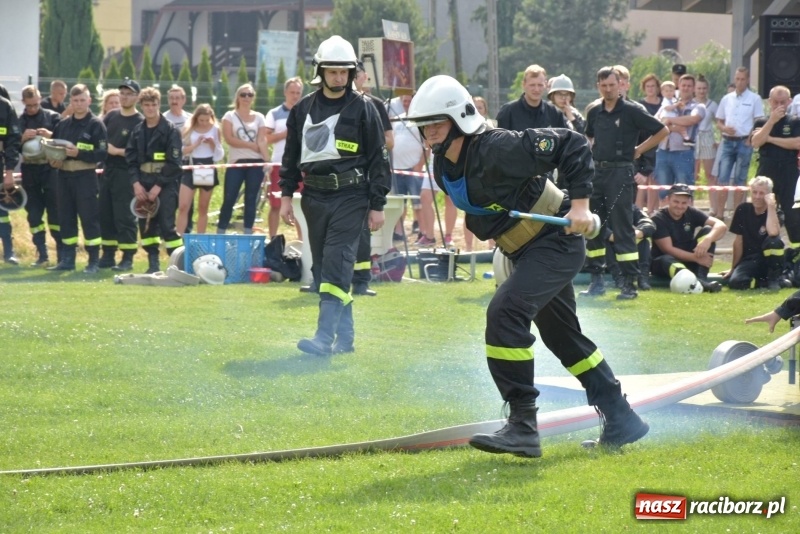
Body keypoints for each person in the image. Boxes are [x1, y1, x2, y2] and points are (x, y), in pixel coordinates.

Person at [405, 74, 649, 457]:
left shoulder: (498, 146)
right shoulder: (443, 165)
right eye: (424, 125)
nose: (429, 132)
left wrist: (582, 205)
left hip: (555, 243)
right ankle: (622, 417)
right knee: (565, 339)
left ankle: (522, 424)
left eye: (436, 123)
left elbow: (570, 144)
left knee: (505, 313)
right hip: (525, 251)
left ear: (460, 119)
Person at [278, 35, 391, 356]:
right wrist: (287, 195)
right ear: (321, 72)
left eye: (344, 71)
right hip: (314, 197)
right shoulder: (302, 109)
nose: (339, 77)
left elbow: (378, 159)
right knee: (326, 270)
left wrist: (378, 204)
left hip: (352, 197)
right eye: (333, 71)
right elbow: (290, 156)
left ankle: (324, 338)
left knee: (337, 264)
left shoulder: (365, 108)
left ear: (352, 72)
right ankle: (346, 339)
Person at [582, 66, 668, 299]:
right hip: (597, 173)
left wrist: (639, 150)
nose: (609, 90)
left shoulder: (632, 110)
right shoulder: (594, 111)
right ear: (598, 86)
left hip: (621, 173)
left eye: (612, 85)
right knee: (593, 226)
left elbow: (662, 130)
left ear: (620, 84)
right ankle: (596, 279)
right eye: (604, 86)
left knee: (622, 228)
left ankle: (629, 284)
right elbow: (589, 137)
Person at [46, 84, 107, 273]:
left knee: (89, 219)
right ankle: (67, 259)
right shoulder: (62, 124)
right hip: (64, 176)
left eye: (82, 100)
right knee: (66, 218)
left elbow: (102, 154)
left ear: (89, 101)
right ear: (70, 102)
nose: (79, 104)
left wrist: (79, 152)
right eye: (75, 100)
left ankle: (93, 261)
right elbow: (53, 147)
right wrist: (52, 160)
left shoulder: (96, 124)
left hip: (85, 176)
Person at [125, 87, 183, 273]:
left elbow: (174, 163)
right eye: (147, 105)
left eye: (154, 104)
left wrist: (158, 186)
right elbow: (130, 160)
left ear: (159, 105)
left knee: (167, 225)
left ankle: (179, 265)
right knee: (147, 227)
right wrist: (136, 184)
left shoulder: (170, 130)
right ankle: (153, 265)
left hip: (165, 183)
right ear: (141, 106)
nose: (150, 108)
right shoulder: (137, 131)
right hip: (142, 182)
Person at [352, 63, 393, 296]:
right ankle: (323, 278)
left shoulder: (375, 105)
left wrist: (370, 143)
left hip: (366, 177)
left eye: (357, 76)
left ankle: (361, 281)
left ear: (365, 78)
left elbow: (390, 141)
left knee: (362, 232)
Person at [99, 79, 143, 271]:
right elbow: (99, 140)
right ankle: (108, 254)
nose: (125, 97)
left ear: (137, 97)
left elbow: (140, 153)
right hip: (107, 172)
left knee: (125, 216)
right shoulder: (111, 116)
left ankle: (127, 257)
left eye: (129, 94)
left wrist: (116, 150)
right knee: (105, 214)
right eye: (122, 93)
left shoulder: (140, 122)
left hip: (127, 174)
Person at [650, 184, 727, 292]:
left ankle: (701, 278)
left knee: (708, 230)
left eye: (684, 203)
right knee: (665, 259)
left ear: (689, 202)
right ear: (668, 200)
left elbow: (721, 225)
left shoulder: (691, 212)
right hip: (666, 264)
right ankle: (697, 283)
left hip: (689, 260)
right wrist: (696, 258)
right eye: (676, 202)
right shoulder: (658, 218)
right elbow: (668, 249)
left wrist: (707, 240)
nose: (680, 206)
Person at [750, 85, 800, 248]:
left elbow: (797, 143)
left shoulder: (794, 121)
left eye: (783, 102)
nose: (779, 105)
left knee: (793, 213)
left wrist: (770, 139)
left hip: (788, 170)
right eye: (775, 102)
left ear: (790, 101)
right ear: (769, 101)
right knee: (761, 208)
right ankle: (759, 246)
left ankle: (796, 251)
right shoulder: (761, 121)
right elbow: (756, 142)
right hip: (767, 168)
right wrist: (771, 121)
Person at [18, 85, 61, 266]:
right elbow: (12, 146)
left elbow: (64, 142)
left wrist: (51, 135)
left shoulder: (53, 117)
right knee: (34, 215)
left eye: (35, 104)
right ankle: (42, 254)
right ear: (23, 103)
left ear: (40, 98)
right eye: (29, 106)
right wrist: (22, 137)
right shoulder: (19, 121)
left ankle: (62, 254)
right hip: (30, 170)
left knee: (56, 215)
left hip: (50, 170)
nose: (33, 108)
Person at [714, 67, 765, 220]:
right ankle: (719, 213)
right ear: (734, 79)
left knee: (740, 178)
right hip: (728, 141)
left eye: (743, 79)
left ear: (748, 80)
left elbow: (759, 121)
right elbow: (719, 121)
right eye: (737, 79)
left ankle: (737, 213)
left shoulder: (754, 98)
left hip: (744, 141)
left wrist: (751, 139)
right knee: (722, 177)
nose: (740, 82)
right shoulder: (727, 98)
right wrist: (724, 128)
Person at [218, 83, 268, 235]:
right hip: (236, 162)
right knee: (229, 197)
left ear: (253, 98)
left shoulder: (259, 117)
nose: (246, 98)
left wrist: (267, 161)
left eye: (250, 95)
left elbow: (262, 140)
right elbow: (229, 139)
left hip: (255, 162)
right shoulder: (229, 116)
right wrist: (251, 146)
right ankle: (221, 230)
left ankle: (247, 232)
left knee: (251, 198)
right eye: (243, 94)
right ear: (237, 97)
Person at [722, 176, 787, 290]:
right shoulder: (743, 209)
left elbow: (773, 232)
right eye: (754, 192)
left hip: (769, 261)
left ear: (769, 195)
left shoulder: (776, 212)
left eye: (761, 193)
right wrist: (734, 268)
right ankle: (761, 281)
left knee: (774, 242)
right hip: (750, 260)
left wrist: (771, 206)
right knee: (736, 283)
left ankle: (774, 279)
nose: (757, 196)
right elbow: (738, 241)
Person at [654, 74, 706, 200]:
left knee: (684, 193)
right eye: (683, 85)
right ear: (679, 86)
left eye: (689, 86)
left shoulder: (698, 106)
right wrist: (673, 127)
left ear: (693, 88)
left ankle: (687, 219)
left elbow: (692, 119)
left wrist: (669, 120)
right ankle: (664, 219)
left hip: (683, 153)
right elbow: (656, 122)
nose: (686, 88)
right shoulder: (667, 103)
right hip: (663, 151)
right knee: (663, 193)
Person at [265, 77, 304, 238]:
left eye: (298, 92)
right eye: (292, 92)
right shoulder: (274, 113)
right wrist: (287, 133)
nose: (295, 96)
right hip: (279, 164)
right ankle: (272, 239)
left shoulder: (306, 112)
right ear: (285, 92)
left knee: (301, 205)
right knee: (275, 204)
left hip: (301, 165)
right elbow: (267, 138)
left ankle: (301, 241)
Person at [177, 103, 224, 234]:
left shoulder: (215, 129)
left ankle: (200, 239)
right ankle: (177, 239)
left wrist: (212, 144)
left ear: (211, 118)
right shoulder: (188, 128)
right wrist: (196, 144)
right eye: (201, 120)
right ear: (196, 118)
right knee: (183, 206)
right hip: (191, 165)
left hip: (208, 166)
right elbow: (181, 151)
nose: (203, 123)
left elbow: (219, 155)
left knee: (203, 208)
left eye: (206, 120)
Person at [496, 65, 567, 131]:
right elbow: (498, 141)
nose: (536, 89)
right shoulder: (508, 112)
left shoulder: (554, 113)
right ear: (523, 84)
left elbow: (564, 140)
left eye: (540, 85)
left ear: (545, 85)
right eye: (532, 85)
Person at [163, 86, 195, 232]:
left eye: (177, 98)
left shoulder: (190, 118)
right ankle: (167, 231)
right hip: (169, 164)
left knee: (188, 202)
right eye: (171, 98)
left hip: (187, 164)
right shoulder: (162, 118)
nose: (174, 101)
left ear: (184, 100)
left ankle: (186, 231)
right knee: (169, 200)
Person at [0, 84, 22, 265]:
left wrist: (9, 171)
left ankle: (8, 252)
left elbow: (13, 142)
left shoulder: (5, 106)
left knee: (2, 212)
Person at [635, 73, 662, 214]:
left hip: (663, 144)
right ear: (644, 88)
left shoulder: (665, 103)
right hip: (645, 143)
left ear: (658, 87)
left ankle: (653, 210)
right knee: (643, 178)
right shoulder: (640, 105)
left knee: (656, 179)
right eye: (648, 86)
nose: (651, 89)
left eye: (653, 86)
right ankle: (639, 210)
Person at [693, 75, 719, 210]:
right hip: (693, 138)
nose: (701, 91)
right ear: (694, 89)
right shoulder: (690, 103)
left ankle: (713, 207)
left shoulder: (712, 105)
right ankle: (690, 205)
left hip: (707, 137)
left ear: (707, 89)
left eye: (704, 88)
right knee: (693, 174)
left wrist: (719, 139)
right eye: (699, 88)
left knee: (710, 174)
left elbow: (720, 122)